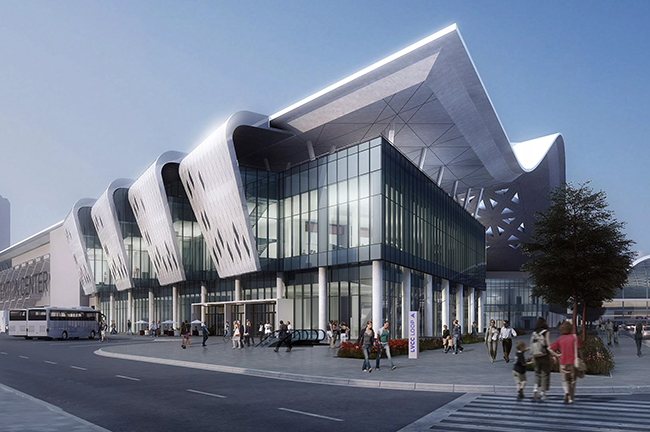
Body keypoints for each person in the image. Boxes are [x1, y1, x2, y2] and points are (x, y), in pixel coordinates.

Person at [549, 321, 581, 404]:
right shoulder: (574, 337)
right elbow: (579, 350)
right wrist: (581, 359)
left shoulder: (560, 339)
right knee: (572, 381)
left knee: (565, 380)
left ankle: (566, 391)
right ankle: (570, 398)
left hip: (563, 362)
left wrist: (556, 355)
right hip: (573, 362)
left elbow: (549, 348)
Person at [530, 318, 552, 400]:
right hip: (544, 355)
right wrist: (554, 354)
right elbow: (548, 345)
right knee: (545, 374)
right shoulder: (546, 332)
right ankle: (542, 393)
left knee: (537, 373)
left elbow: (531, 344)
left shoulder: (534, 333)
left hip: (535, 355)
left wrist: (532, 357)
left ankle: (535, 389)